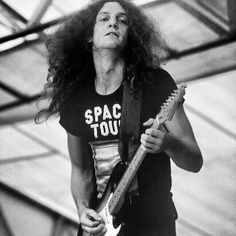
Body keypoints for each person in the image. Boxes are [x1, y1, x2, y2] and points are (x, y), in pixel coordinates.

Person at [36, 0, 203, 235]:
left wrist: (169, 144)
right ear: (88, 36)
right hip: (103, 225)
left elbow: (195, 161)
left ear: (130, 36)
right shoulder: (75, 98)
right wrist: (83, 210)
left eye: (122, 20)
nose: (113, 22)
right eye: (104, 18)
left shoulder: (154, 84)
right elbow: (80, 171)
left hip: (153, 222)